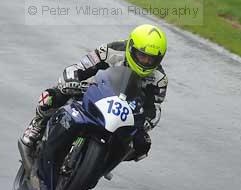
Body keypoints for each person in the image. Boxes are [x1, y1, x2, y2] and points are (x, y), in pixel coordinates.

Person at [18, 23, 168, 164]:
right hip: (96, 92)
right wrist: (71, 81)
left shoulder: (159, 79)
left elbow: (154, 109)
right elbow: (80, 67)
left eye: (151, 59)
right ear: (131, 48)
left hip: (125, 112)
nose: (146, 61)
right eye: (142, 55)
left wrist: (143, 128)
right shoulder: (112, 50)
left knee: (143, 145)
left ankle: (104, 163)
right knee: (52, 96)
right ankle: (38, 124)